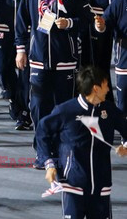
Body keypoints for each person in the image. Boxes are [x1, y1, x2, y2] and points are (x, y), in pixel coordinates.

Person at [15, 0, 92, 167]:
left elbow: (86, 19)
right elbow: (22, 23)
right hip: (38, 60)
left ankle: (60, 149)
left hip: (65, 61)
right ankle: (42, 151)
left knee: (63, 107)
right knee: (38, 107)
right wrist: (20, 50)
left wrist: (69, 22)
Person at [36, 66, 127, 219]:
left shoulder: (109, 110)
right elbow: (42, 131)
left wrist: (125, 146)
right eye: (105, 85)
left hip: (101, 185)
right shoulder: (66, 111)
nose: (108, 89)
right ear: (96, 89)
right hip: (73, 184)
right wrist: (49, 163)